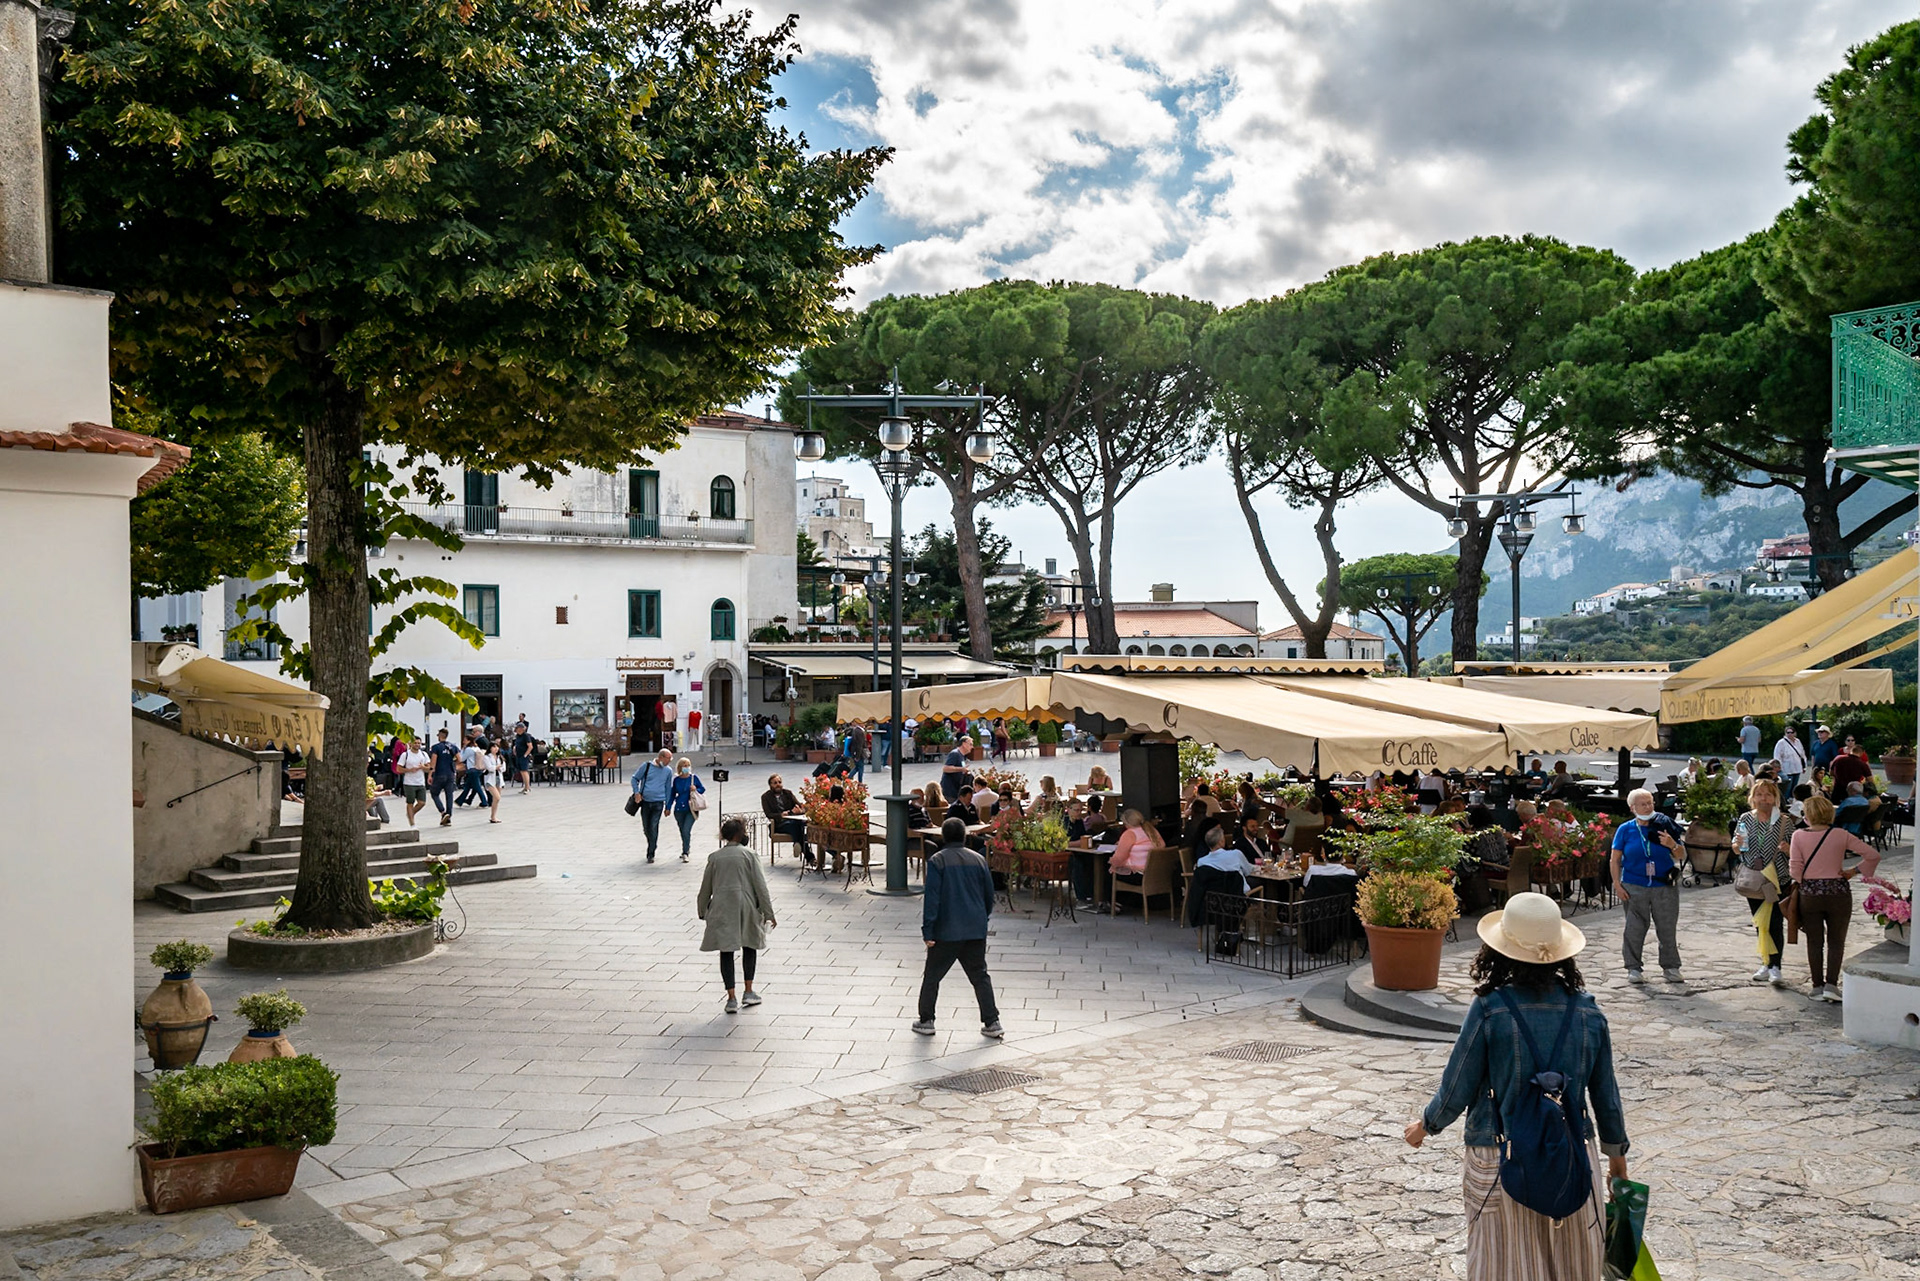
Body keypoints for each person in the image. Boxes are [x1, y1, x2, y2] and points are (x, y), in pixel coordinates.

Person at [1405, 893, 1628, 1279]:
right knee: (1575, 1267)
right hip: (1573, 1158)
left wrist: (1425, 1126)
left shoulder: (1491, 1009)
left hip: (1498, 1156)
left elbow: (1458, 1084)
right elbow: (1606, 1097)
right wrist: (1617, 1160)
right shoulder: (1588, 1012)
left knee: (1503, 1266)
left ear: (1498, 952)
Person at [914, 816, 1002, 1039]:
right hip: (974, 928)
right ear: (964, 836)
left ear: (943, 836)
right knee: (980, 975)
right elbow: (988, 895)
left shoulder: (937, 861)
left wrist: (928, 931)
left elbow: (932, 899)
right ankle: (992, 1022)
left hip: (946, 929)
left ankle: (927, 1020)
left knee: (933, 975)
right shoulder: (979, 860)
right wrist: (982, 917)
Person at [1789, 794, 1882, 1001]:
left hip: (1810, 894)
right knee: (1836, 941)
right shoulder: (1841, 834)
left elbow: (1795, 871)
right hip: (1839, 893)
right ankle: (1832, 984)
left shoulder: (1798, 836)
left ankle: (1816, 986)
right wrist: (1853, 871)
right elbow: (1873, 855)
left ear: (1808, 815)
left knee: (1814, 941)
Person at [697, 817, 776, 1014]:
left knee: (726, 949)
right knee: (750, 945)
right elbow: (761, 886)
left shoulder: (714, 857)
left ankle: (731, 998)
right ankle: (748, 991)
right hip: (747, 906)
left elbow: (705, 888)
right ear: (740, 834)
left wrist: (702, 911)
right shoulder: (750, 855)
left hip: (722, 907)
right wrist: (768, 913)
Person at [1610, 788, 1686, 983]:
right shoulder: (1625, 829)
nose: (1648, 807)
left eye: (1650, 802)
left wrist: (1672, 845)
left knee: (1667, 927)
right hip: (1634, 885)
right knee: (1634, 928)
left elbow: (1681, 855)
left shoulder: (1664, 825)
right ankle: (1633, 968)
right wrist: (1617, 884)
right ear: (1632, 808)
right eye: (1643, 804)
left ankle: (1671, 967)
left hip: (1664, 885)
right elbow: (1615, 859)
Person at [1732, 779, 1790, 987]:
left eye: (1768, 794)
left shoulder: (1784, 821)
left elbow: (1796, 850)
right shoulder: (1745, 818)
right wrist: (1736, 845)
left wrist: (1788, 849)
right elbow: (1737, 847)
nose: (1763, 798)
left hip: (1777, 879)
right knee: (1760, 922)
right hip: (1754, 879)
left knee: (1775, 922)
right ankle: (1765, 963)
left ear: (1775, 798)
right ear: (1753, 798)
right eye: (1759, 794)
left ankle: (1776, 966)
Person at [1186, 827, 1257, 927]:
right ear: (1221, 842)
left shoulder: (1202, 862)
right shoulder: (1236, 854)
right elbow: (1248, 870)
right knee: (1257, 884)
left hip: (1212, 902)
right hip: (1236, 899)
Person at [1107, 808, 1163, 905]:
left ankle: (1112, 903)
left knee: (1107, 872)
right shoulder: (1151, 830)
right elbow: (1162, 846)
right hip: (1156, 873)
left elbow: (1119, 858)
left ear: (1126, 823)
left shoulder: (1129, 834)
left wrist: (1111, 862)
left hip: (1139, 875)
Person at [630, 748, 674, 864]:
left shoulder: (668, 771)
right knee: (646, 828)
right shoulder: (647, 766)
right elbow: (634, 779)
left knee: (653, 826)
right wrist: (636, 792)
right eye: (668, 759)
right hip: (645, 802)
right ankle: (652, 842)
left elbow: (668, 788)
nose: (669, 761)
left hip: (658, 802)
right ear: (661, 757)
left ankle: (651, 852)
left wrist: (668, 806)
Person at [760, 774, 811, 863]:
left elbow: (800, 806)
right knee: (797, 826)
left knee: (798, 824)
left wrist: (800, 811)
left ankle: (797, 844)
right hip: (779, 824)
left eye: (779, 782)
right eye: (775, 783)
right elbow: (768, 814)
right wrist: (780, 815)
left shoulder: (788, 793)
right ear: (770, 785)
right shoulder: (765, 797)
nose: (778, 785)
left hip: (793, 820)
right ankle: (810, 857)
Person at [669, 757, 707, 862]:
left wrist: (696, 788)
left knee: (686, 830)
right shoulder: (676, 780)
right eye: (684, 765)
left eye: (688, 765)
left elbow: (702, 789)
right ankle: (685, 848)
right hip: (679, 809)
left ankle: (686, 852)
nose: (686, 767)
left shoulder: (693, 778)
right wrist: (668, 807)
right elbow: (672, 794)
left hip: (691, 808)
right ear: (680, 767)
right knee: (682, 830)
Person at [396, 735, 431, 827]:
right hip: (409, 782)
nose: (417, 745)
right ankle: (412, 823)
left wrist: (422, 767)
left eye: (419, 743)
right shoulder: (405, 755)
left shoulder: (424, 754)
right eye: (415, 743)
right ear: (410, 744)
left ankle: (410, 814)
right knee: (410, 802)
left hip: (420, 782)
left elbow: (429, 768)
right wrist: (409, 770)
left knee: (422, 803)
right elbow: (399, 768)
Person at [427, 727, 459, 827]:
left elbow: (433, 762)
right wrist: (453, 765)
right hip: (450, 773)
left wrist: (430, 774)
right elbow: (460, 758)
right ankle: (449, 815)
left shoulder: (436, 747)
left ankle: (443, 812)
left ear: (440, 736)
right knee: (449, 795)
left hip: (440, 774)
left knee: (434, 793)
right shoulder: (453, 746)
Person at [1772, 725, 1808, 789]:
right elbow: (1777, 756)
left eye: (1791, 732)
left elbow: (1802, 754)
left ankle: (1792, 798)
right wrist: (1778, 767)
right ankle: (1787, 798)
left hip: (1797, 768)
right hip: (1786, 769)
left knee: (1794, 787)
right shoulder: (1781, 743)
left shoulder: (1798, 741)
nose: (1790, 734)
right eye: (1788, 732)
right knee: (1787, 787)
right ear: (1785, 733)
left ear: (1795, 733)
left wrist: (1804, 766)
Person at [455, 733, 485, 807]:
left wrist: (462, 750)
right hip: (478, 768)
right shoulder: (476, 748)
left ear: (469, 741)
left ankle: (484, 802)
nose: (463, 741)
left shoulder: (468, 749)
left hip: (472, 769)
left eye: (465, 740)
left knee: (477, 787)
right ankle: (460, 801)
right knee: (467, 786)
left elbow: (461, 758)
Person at [941, 736, 973, 801]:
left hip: (956, 790)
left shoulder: (962, 756)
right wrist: (961, 769)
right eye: (970, 744)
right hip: (949, 791)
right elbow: (946, 768)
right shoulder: (955, 753)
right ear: (964, 744)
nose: (972, 747)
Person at [480, 740, 505, 822]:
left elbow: (503, 768)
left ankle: (493, 816)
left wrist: (498, 767)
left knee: (496, 800)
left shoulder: (500, 757)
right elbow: (489, 768)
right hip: (490, 779)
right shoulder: (487, 757)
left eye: (497, 747)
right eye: (494, 747)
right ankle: (493, 816)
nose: (496, 748)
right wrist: (496, 767)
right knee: (497, 797)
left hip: (498, 778)